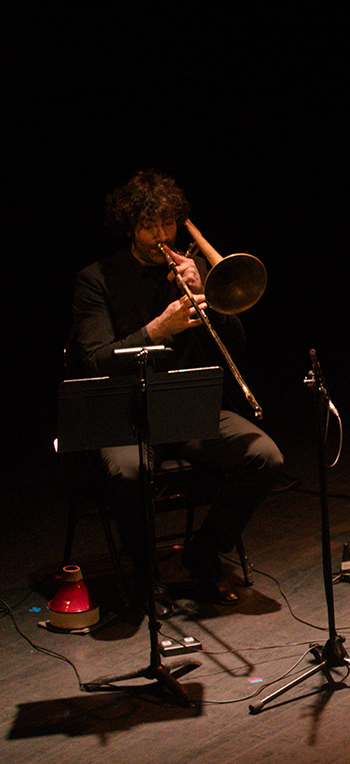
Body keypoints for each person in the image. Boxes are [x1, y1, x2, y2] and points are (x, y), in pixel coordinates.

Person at [69, 169, 284, 602]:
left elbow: (236, 345)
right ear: (130, 226)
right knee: (131, 471)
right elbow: (94, 361)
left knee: (265, 457)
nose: (161, 234)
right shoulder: (97, 278)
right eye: (149, 225)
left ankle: (203, 552)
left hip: (190, 410)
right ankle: (145, 570)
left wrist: (208, 291)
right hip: (127, 414)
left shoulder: (195, 269)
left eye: (167, 223)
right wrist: (156, 330)